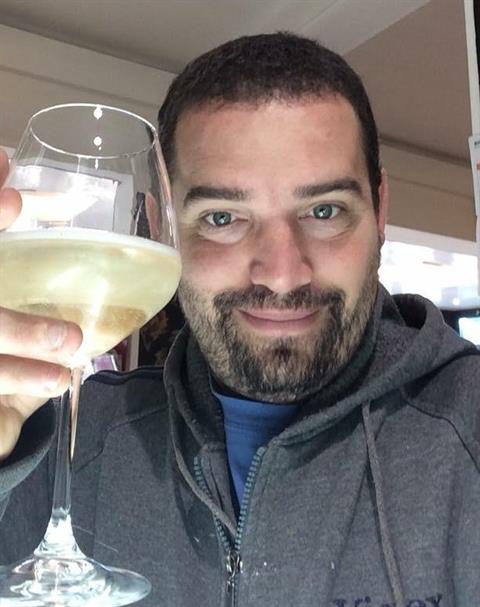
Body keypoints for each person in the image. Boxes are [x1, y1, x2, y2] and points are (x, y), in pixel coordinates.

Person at [0, 32, 479, 607]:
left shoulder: (468, 425)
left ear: (379, 211)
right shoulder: (60, 443)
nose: (282, 274)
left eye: (324, 210)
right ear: (160, 223)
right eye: (223, 217)